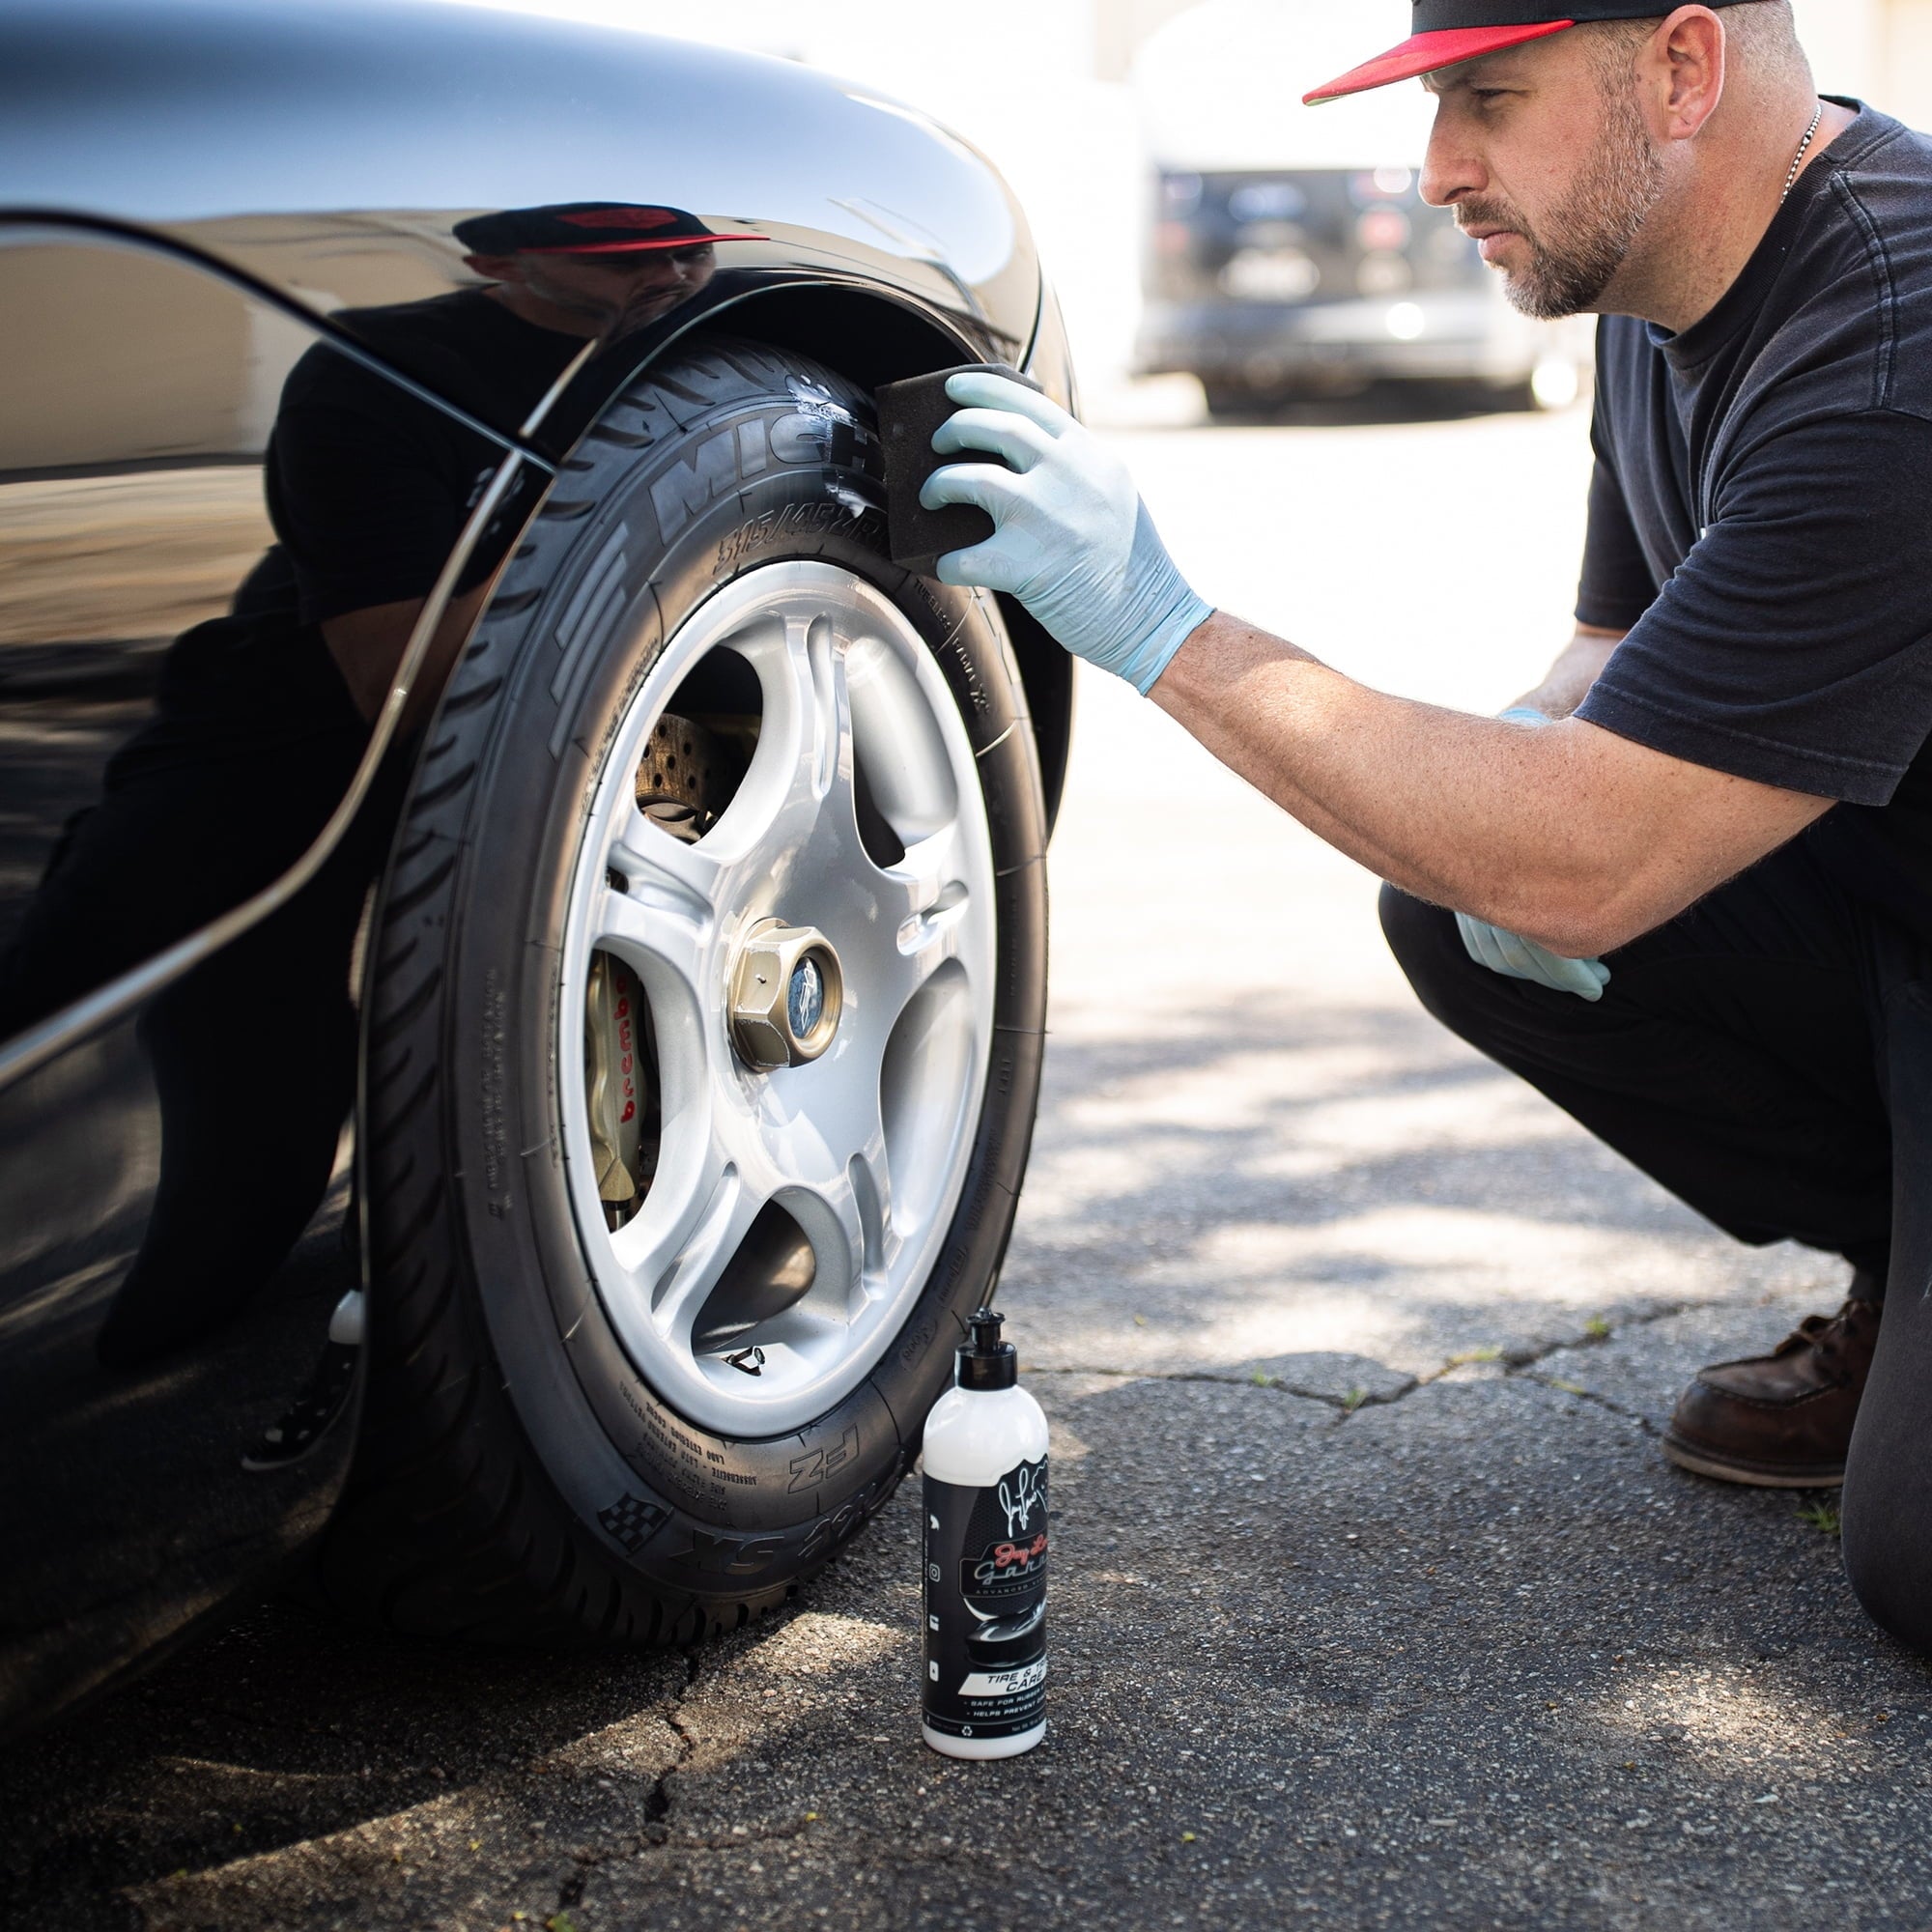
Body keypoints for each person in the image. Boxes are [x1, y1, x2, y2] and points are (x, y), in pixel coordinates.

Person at [919, 2, 1932, 1654]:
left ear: (1680, 69)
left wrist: (1163, 625)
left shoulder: (1894, 354)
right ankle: (1906, 1274)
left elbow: (1589, 855)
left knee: (1919, 1564)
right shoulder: (1659, 278)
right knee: (1453, 896)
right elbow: (1607, 668)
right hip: (1892, 915)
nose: (1437, 168)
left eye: (1488, 101)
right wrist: (1487, 800)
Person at [0, 203, 743, 1366]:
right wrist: (617, 489)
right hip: (264, 750)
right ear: (499, 262)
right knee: (133, 1097)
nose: (671, 273)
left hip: (540, 750)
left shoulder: (698, 350)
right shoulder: (383, 371)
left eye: (688, 248)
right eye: (620, 257)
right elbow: (397, 675)